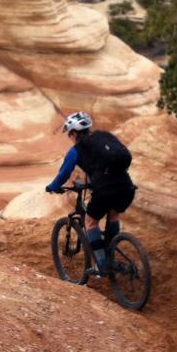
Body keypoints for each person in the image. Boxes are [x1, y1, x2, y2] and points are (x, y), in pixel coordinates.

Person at [45, 111, 135, 275]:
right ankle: (111, 253)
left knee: (91, 221)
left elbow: (64, 173)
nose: (70, 138)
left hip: (106, 190)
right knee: (113, 214)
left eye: (70, 134)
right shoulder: (105, 136)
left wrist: (52, 187)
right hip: (126, 186)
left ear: (73, 133)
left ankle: (102, 264)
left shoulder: (77, 150)